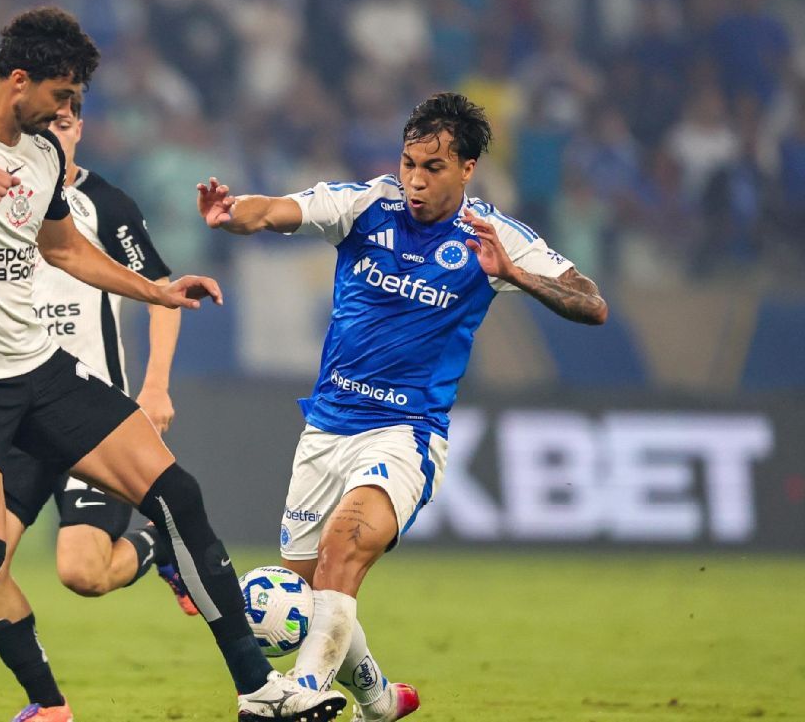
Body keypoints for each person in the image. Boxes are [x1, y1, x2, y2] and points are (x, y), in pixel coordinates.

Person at [0, 7, 345, 722]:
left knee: (177, 492)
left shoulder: (40, 157)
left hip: (41, 371)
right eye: (62, 97)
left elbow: (64, 249)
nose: (70, 112)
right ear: (20, 79)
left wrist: (154, 287)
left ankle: (258, 690)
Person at [195, 92, 608, 721]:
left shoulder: (492, 236)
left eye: (433, 168)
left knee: (343, 549)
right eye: (410, 162)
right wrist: (234, 213)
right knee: (309, 597)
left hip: (405, 434)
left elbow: (591, 302)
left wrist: (516, 276)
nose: (415, 179)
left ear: (468, 169)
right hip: (325, 430)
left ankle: (299, 697)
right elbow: (281, 210)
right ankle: (380, 701)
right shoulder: (367, 205)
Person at [0, 98, 196, 722]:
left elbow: (164, 296)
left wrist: (156, 386)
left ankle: (155, 545)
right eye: (45, 126)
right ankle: (49, 705)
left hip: (92, 420)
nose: (55, 136)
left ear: (81, 129)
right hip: (17, 412)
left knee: (83, 574)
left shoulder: (106, 206)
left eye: (65, 125)